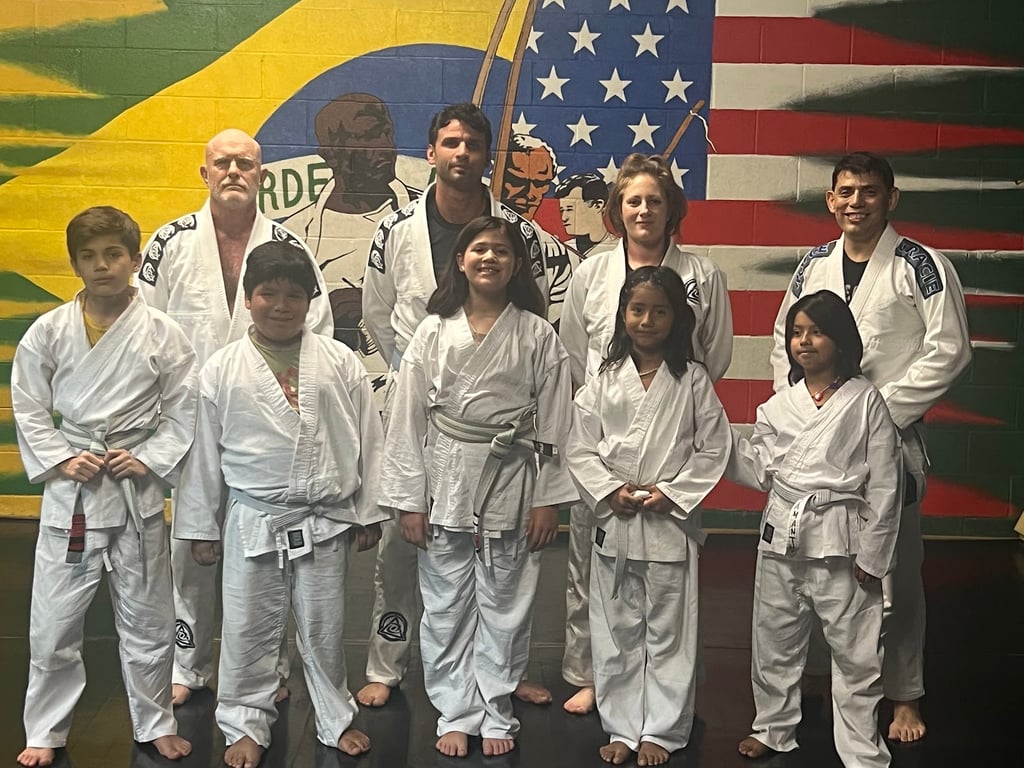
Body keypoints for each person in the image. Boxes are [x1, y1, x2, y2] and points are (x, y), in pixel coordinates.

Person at [359, 103, 563, 709]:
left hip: (497, 420)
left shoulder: (517, 232)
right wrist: (418, 372)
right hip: (424, 399)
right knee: (404, 547)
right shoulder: (396, 228)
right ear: (432, 153)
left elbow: (531, 307)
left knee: (506, 561)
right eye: (450, 143)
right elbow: (377, 311)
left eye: (473, 145)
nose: (462, 154)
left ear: (486, 157)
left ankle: (503, 671)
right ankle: (387, 662)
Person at [769, 152, 971, 743]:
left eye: (869, 191)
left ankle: (905, 694)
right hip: (818, 440)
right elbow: (785, 341)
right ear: (831, 200)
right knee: (816, 567)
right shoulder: (813, 265)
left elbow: (950, 350)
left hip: (890, 436)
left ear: (891, 198)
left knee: (895, 572)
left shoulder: (921, 265)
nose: (856, 201)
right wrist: (804, 411)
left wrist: (873, 415)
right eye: (846, 191)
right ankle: (819, 679)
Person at [173, 242, 388, 768]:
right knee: (247, 625)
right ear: (248, 299)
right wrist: (201, 525)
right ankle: (245, 721)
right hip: (254, 515)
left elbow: (369, 438)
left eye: (294, 295)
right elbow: (203, 454)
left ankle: (335, 717)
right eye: (268, 293)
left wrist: (368, 511)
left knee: (323, 626)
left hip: (326, 516)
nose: (281, 306)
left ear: (311, 301)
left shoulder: (340, 360)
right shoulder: (221, 367)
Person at [138, 128, 333, 706]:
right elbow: (144, 330)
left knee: (270, 552)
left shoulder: (287, 244)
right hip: (189, 417)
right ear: (205, 173)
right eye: (222, 163)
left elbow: (317, 327)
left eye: (245, 164)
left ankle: (270, 668)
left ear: (261, 176)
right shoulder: (170, 241)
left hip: (265, 417)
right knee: (191, 547)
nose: (232, 172)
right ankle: (189, 662)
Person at [379, 215, 574, 757]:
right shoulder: (432, 330)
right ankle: (455, 711)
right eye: (480, 249)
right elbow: (406, 421)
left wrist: (548, 499)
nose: (490, 258)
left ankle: (496, 708)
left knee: (507, 602)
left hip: (514, 475)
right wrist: (409, 501)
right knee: (444, 603)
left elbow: (556, 422)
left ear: (517, 265)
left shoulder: (537, 333)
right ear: (461, 261)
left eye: (501, 251)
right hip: (446, 474)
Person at [12, 206, 198, 766]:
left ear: (135, 260)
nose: (102, 266)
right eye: (89, 257)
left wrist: (148, 458)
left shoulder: (163, 332)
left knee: (149, 619)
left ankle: (155, 722)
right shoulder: (48, 331)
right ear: (75, 264)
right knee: (54, 622)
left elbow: (183, 409)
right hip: (73, 490)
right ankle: (44, 731)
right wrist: (62, 458)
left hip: (132, 486)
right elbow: (28, 405)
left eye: (113, 254)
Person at [558, 152, 734, 715]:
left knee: (672, 580)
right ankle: (590, 674)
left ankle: (668, 684)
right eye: (632, 200)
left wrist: (675, 406)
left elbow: (714, 355)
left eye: (654, 201)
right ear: (617, 209)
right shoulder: (591, 273)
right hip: (606, 435)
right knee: (589, 565)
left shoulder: (703, 274)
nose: (643, 210)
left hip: (671, 440)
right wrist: (608, 408)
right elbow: (574, 353)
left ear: (671, 208)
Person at [566, 266, 730, 766]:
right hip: (616, 518)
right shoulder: (604, 378)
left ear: (678, 317)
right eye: (637, 309)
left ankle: (662, 729)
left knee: (669, 633)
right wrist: (608, 490)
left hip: (667, 522)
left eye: (660, 311)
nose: (647, 320)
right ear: (622, 313)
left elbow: (714, 447)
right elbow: (580, 445)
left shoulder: (693, 379)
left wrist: (673, 493)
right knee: (615, 629)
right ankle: (621, 726)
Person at [732, 290, 900, 767]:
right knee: (774, 640)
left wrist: (874, 555)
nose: (804, 341)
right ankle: (773, 727)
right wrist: (718, 441)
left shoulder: (865, 400)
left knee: (856, 651)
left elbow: (885, 483)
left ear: (841, 340)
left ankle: (861, 748)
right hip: (782, 532)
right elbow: (760, 471)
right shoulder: (779, 405)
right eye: (797, 332)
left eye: (817, 332)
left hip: (841, 539)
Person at [554, 172, 615, 259]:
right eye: (562, 210)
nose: (564, 218)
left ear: (598, 205)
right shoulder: (562, 250)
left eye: (570, 209)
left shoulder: (619, 249)